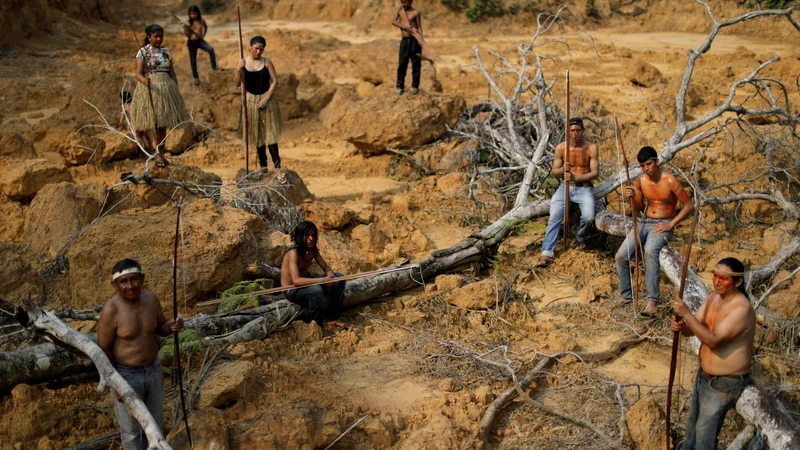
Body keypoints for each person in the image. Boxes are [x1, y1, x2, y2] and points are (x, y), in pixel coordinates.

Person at [96, 259, 184, 450]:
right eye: (123, 282)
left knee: (155, 428)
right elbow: (103, 349)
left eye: (134, 279)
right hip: (126, 375)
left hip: (153, 370)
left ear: (142, 278)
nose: (130, 286)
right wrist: (117, 384)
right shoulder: (111, 310)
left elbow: (161, 328)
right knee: (132, 434)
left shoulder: (151, 300)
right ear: (115, 285)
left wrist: (172, 326)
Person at [672, 257, 755, 450]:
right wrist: (681, 326)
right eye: (715, 276)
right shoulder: (712, 298)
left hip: (725, 382)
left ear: (738, 282)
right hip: (705, 376)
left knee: (704, 438)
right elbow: (694, 328)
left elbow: (713, 341)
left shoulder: (741, 309)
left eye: (723, 278)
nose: (717, 282)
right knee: (692, 428)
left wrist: (686, 315)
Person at [616, 146, 693, 316]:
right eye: (643, 165)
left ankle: (652, 302)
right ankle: (626, 295)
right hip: (644, 222)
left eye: (649, 164)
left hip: (663, 224)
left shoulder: (670, 180)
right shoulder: (641, 181)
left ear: (657, 162)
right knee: (621, 255)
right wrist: (631, 198)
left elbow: (689, 205)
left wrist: (670, 224)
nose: (646, 168)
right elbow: (639, 208)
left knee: (650, 252)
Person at [535, 117, 599, 267]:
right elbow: (554, 172)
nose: (576, 133)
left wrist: (578, 177)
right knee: (555, 216)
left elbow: (595, 173)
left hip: (584, 187)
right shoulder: (561, 148)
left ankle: (579, 237)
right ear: (568, 132)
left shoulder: (591, 148)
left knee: (589, 217)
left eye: (578, 130)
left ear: (583, 131)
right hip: (565, 187)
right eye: (572, 130)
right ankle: (547, 253)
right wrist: (563, 170)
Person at [132, 24, 190, 168]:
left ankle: (161, 154)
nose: (159, 39)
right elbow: (138, 73)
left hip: (166, 89)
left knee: (163, 125)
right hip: (151, 88)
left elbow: (172, 72)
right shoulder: (143, 52)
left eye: (161, 36)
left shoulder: (166, 52)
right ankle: (157, 154)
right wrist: (144, 80)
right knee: (156, 124)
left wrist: (175, 89)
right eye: (155, 36)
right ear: (149, 37)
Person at [234, 35, 286, 183]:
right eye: (256, 48)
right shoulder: (243, 62)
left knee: (271, 135)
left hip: (266, 101)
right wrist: (238, 69)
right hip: (251, 101)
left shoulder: (267, 62)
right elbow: (237, 83)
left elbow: (275, 81)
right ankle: (263, 166)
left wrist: (267, 97)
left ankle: (277, 168)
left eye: (261, 49)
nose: (258, 52)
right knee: (258, 135)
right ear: (250, 47)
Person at [281, 221, 348, 333]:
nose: (311, 238)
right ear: (300, 236)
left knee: (340, 277)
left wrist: (331, 275)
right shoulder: (294, 253)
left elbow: (325, 267)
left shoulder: (313, 250)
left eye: (313, 235)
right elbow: (296, 281)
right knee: (316, 290)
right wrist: (322, 280)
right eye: (307, 235)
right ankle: (317, 325)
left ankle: (333, 317)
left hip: (305, 284)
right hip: (291, 290)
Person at [392, 0, 423, 95]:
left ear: (411, 2)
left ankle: (415, 87)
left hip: (414, 41)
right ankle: (399, 86)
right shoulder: (399, 10)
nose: (403, 4)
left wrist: (421, 40)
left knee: (416, 64)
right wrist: (404, 27)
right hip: (405, 41)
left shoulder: (415, 12)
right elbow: (393, 21)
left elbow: (419, 27)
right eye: (402, 2)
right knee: (402, 64)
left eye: (405, 2)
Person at [182, 5, 217, 86]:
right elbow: (187, 35)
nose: (193, 16)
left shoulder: (201, 21)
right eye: (191, 14)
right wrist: (185, 28)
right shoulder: (188, 22)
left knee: (211, 50)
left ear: (198, 13)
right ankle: (196, 78)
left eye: (194, 14)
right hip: (191, 43)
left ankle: (214, 67)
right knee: (193, 61)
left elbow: (206, 27)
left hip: (200, 41)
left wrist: (203, 35)